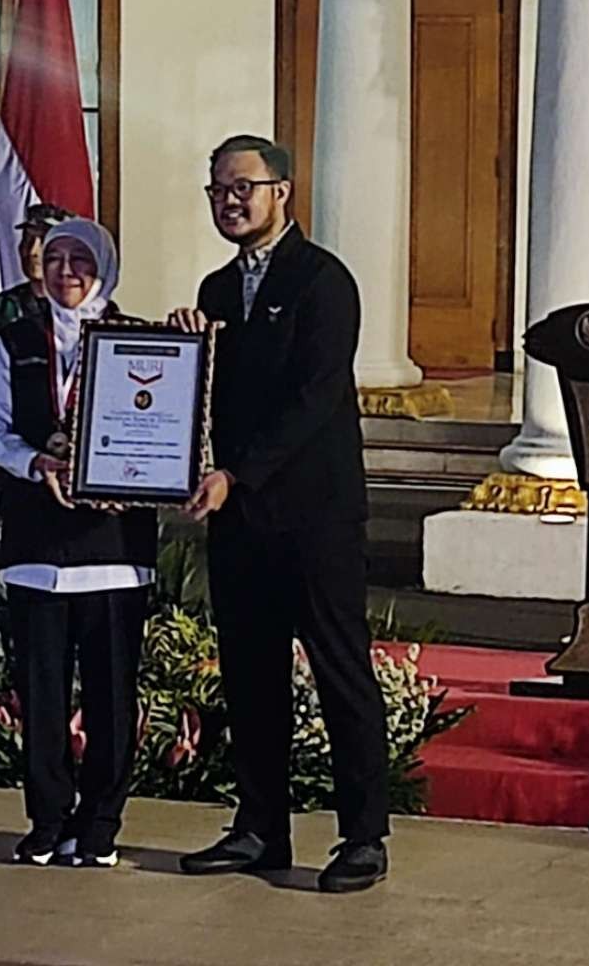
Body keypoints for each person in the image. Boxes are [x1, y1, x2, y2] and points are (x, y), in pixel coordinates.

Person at [171, 135, 390, 893]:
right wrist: (184, 355)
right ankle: (259, 826)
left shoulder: (322, 280)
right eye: (218, 191)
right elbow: (205, 399)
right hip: (240, 518)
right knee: (249, 675)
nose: (230, 202)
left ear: (282, 192)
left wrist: (239, 473)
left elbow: (313, 398)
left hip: (314, 517)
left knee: (339, 673)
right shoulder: (215, 291)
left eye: (243, 188)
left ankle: (364, 834)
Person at [0, 218, 155, 868]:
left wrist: (137, 477)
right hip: (36, 546)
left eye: (81, 258)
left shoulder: (141, 341)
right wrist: (33, 465)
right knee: (41, 692)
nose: (66, 271)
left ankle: (100, 823)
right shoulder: (15, 339)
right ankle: (48, 819)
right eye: (55, 258)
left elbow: (163, 428)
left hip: (113, 545)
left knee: (110, 696)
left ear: (104, 265)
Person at [0, 202, 71, 405]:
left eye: (44, 241)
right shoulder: (0, 308)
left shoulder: (86, 310)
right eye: (27, 241)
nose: (33, 251)